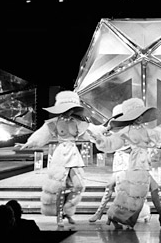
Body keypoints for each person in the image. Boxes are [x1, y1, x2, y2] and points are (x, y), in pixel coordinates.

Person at [88, 98, 161, 229]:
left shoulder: (143, 130)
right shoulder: (123, 131)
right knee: (122, 192)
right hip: (130, 165)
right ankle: (109, 215)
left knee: (152, 190)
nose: (139, 118)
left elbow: (159, 134)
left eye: (140, 114)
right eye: (136, 115)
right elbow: (110, 143)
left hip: (140, 165)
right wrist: (101, 136)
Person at [19, 91, 104, 227]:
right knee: (59, 187)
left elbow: (94, 131)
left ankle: (67, 211)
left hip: (74, 154)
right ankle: (60, 216)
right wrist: (27, 144)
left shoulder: (79, 122)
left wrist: (107, 131)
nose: (70, 111)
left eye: (72, 108)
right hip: (61, 155)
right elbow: (40, 136)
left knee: (79, 185)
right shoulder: (53, 123)